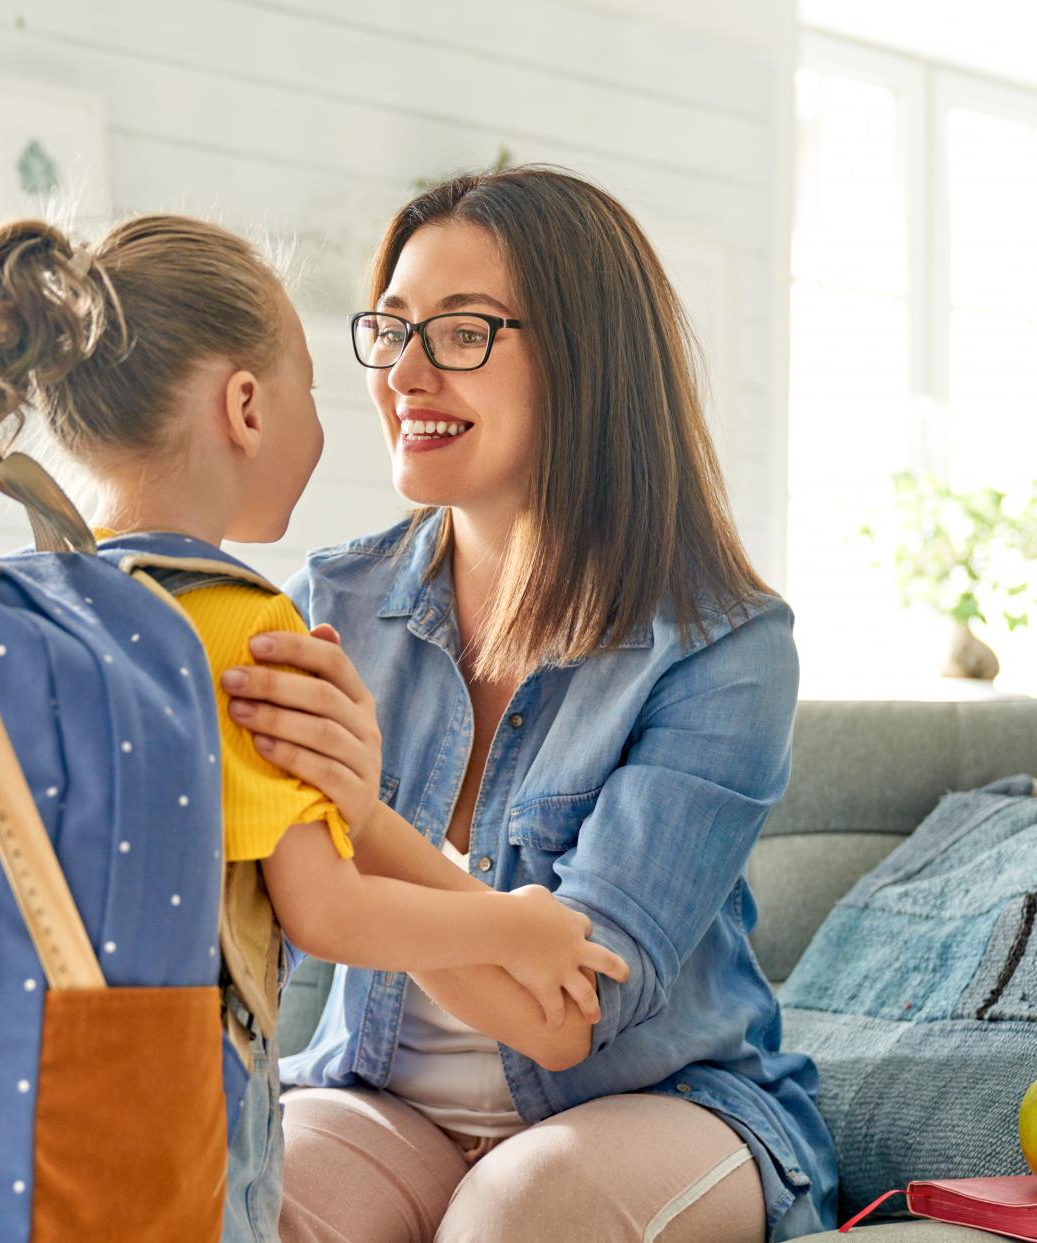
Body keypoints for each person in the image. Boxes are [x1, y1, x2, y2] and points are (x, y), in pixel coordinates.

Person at [0, 211, 625, 1243]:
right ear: (245, 407)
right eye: (310, 389)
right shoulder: (238, 625)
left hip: (10, 1092)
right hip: (170, 1110)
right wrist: (517, 923)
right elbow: (329, 912)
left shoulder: (29, 606)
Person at [218, 168, 841, 1241]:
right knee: (249, 1203)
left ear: (585, 364)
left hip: (656, 1105)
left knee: (516, 1217)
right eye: (394, 328)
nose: (405, 373)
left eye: (461, 333)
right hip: (380, 1098)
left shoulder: (726, 645)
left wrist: (365, 819)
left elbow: (576, 1016)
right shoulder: (335, 605)